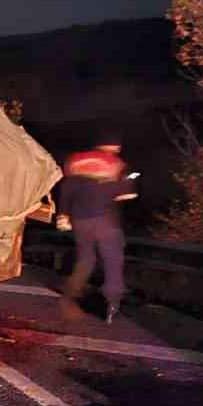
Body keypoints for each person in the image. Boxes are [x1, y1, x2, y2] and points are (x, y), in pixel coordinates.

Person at [54, 138, 138, 323]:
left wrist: (63, 215)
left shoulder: (77, 161)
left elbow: (67, 189)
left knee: (86, 259)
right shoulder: (116, 164)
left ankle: (70, 296)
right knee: (113, 261)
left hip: (80, 220)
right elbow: (127, 193)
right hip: (105, 221)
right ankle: (112, 302)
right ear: (114, 146)